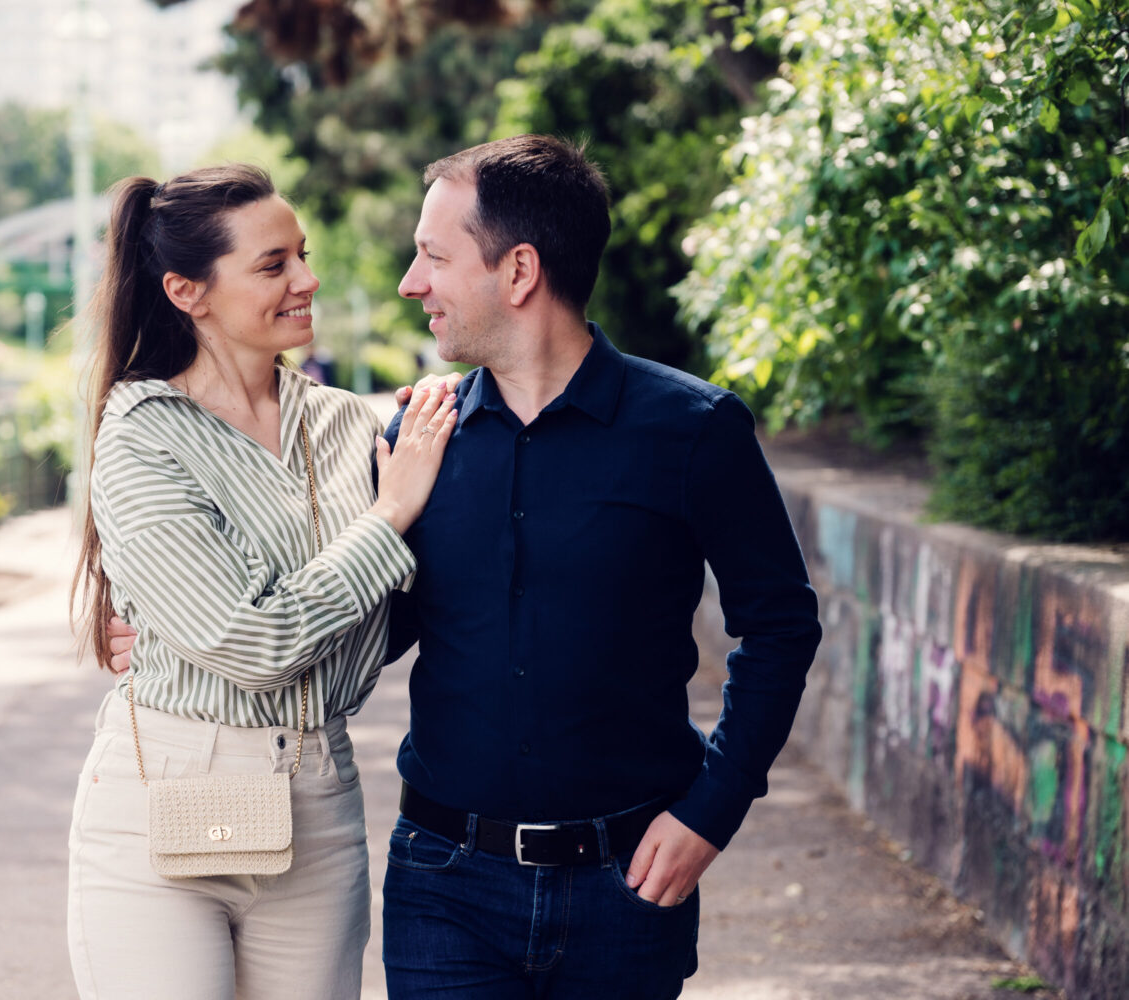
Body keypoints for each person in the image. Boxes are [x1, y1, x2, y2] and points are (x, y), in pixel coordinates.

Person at [109, 135, 822, 999]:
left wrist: (713, 809)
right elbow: (357, 622)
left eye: (432, 257)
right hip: (444, 884)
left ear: (518, 271)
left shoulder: (693, 430)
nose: (411, 284)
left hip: (627, 881)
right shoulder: (413, 441)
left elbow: (779, 625)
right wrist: (174, 639)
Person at [69, 163, 457, 1000]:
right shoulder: (142, 434)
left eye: (303, 256)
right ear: (187, 290)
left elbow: (415, 605)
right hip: (162, 803)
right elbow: (255, 642)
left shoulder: (358, 425)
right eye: (273, 264)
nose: (307, 280)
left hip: (320, 802)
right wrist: (387, 519)